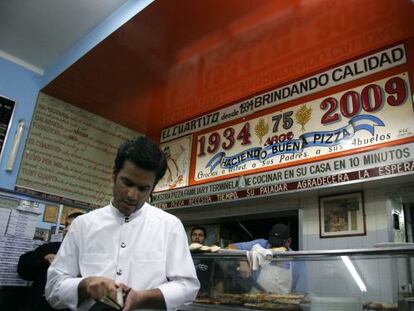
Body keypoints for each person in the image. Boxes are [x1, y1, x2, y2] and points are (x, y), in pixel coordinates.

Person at [45, 136, 200, 311]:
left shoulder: (169, 226)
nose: (132, 195)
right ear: (114, 174)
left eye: (143, 189)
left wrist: (141, 298)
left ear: (153, 187)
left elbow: (188, 287)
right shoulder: (83, 225)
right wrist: (86, 285)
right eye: (127, 183)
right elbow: (53, 288)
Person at [17, 212, 84, 311]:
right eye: (66, 224)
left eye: (72, 225)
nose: (66, 229)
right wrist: (43, 260)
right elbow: (23, 271)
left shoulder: (91, 255)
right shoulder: (50, 248)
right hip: (38, 305)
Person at [228, 223, 308, 294]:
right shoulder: (261, 244)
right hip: (256, 301)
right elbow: (230, 247)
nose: (274, 248)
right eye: (272, 244)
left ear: (289, 241)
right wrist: (242, 260)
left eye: (279, 245)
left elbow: (301, 292)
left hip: (284, 304)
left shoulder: (296, 259)